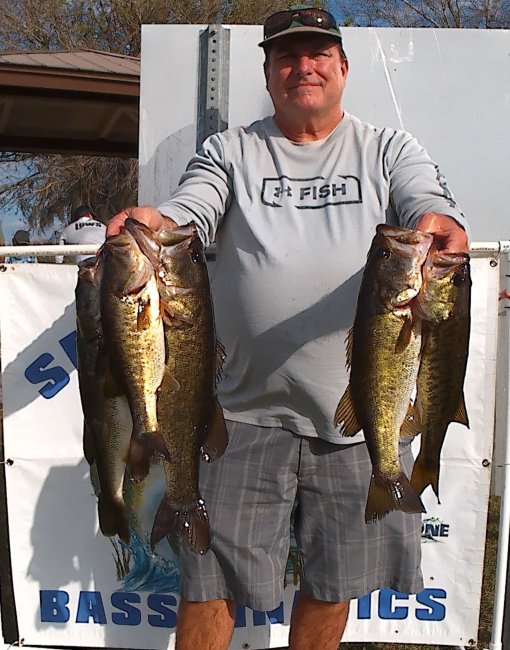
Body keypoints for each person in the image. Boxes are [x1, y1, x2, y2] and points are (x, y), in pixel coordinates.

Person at [108, 5, 469, 649]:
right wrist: (161, 221)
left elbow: (424, 200)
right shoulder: (230, 150)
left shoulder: (389, 148)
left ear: (343, 68)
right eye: (286, 56)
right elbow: (193, 208)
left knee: (334, 582)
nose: (303, 67)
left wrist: (440, 220)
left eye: (318, 54)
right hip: (242, 411)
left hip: (360, 415)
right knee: (209, 582)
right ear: (269, 73)